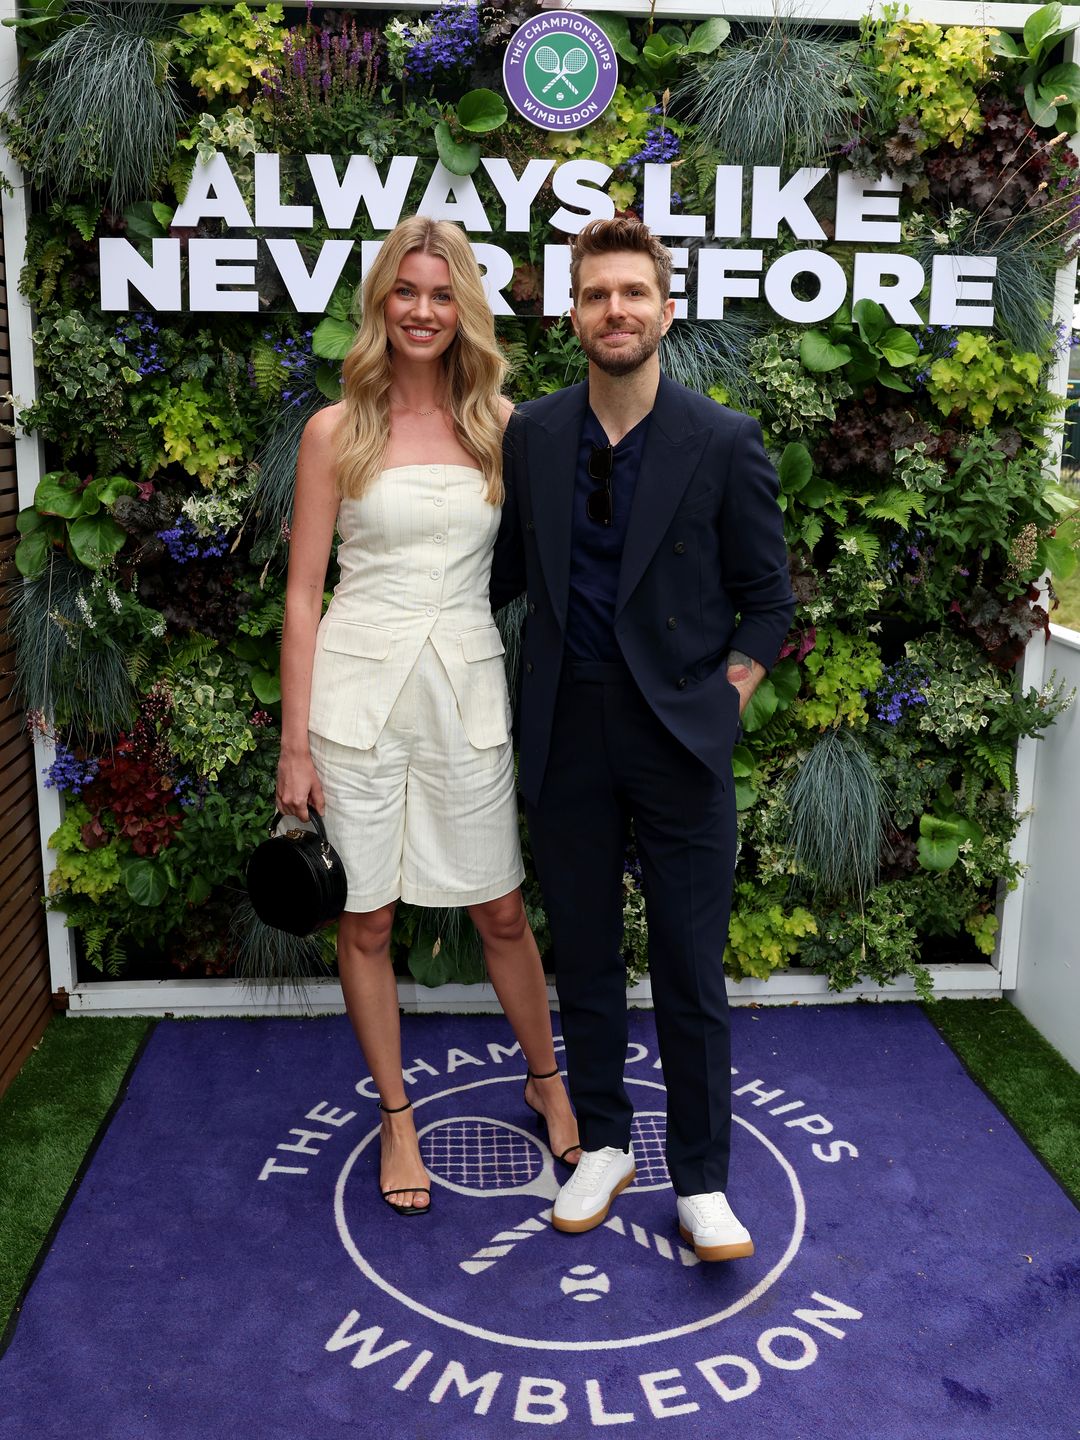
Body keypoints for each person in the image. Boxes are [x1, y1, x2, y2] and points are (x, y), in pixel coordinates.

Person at [491, 217, 794, 1261]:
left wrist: (728, 699)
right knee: (583, 953)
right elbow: (500, 582)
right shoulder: (531, 434)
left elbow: (768, 602)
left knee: (690, 966)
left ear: (668, 310)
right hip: (567, 728)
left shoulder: (723, 438)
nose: (614, 310)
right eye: (595, 294)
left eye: (633, 293)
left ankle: (703, 1180)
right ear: (569, 314)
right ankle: (604, 1146)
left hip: (681, 738)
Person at [276, 215, 579, 1218]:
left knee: (498, 906)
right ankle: (397, 1117)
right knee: (365, 920)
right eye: (405, 292)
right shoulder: (336, 429)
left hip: (468, 688)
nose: (421, 310)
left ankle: (547, 1080)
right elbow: (303, 595)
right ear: (379, 303)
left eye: (441, 294)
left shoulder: (504, 424)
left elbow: (554, 567)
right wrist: (293, 749)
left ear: (465, 311)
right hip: (355, 704)